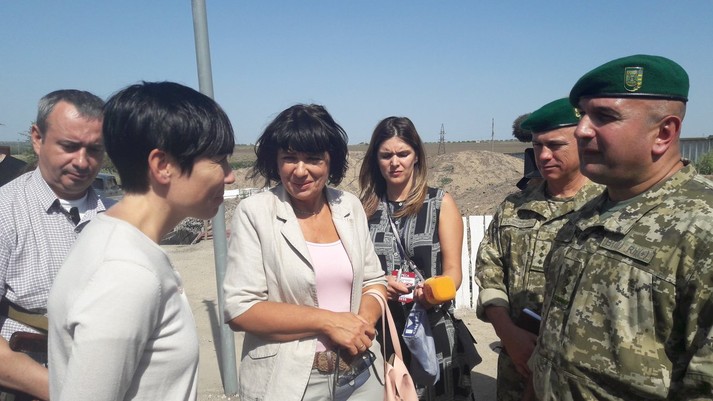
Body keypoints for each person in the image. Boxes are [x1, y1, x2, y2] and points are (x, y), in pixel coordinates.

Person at [529, 55, 713, 400]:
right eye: (583, 115)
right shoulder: (584, 216)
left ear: (664, 133)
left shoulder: (701, 227)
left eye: (604, 116)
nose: (581, 130)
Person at [47, 81, 236, 401]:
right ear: (162, 165)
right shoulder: (125, 272)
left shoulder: (114, 240)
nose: (230, 175)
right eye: (219, 160)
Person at [223, 104, 387, 401]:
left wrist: (361, 326)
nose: (300, 171)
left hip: (362, 374)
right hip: (291, 381)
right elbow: (241, 309)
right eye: (289, 158)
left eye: (313, 159)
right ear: (275, 161)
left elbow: (374, 281)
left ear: (330, 161)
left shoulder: (349, 206)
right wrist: (328, 321)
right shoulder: (255, 213)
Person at [475, 98, 602, 401]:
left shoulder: (606, 209)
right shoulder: (514, 207)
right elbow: (489, 271)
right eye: (537, 146)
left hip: (578, 374)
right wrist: (508, 333)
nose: (543, 155)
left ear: (583, 142)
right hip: (516, 365)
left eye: (555, 145)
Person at [0, 89, 107, 401]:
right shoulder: (6, 212)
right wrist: (68, 392)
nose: (82, 162)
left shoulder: (118, 216)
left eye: (94, 149)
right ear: (37, 138)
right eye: (69, 147)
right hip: (29, 385)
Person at [359, 116, 474, 401]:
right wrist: (379, 283)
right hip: (382, 332)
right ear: (376, 159)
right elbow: (354, 270)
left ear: (416, 157)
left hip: (431, 328)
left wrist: (431, 292)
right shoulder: (363, 209)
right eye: (386, 155)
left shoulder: (440, 204)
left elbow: (453, 272)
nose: (394, 162)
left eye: (403, 154)